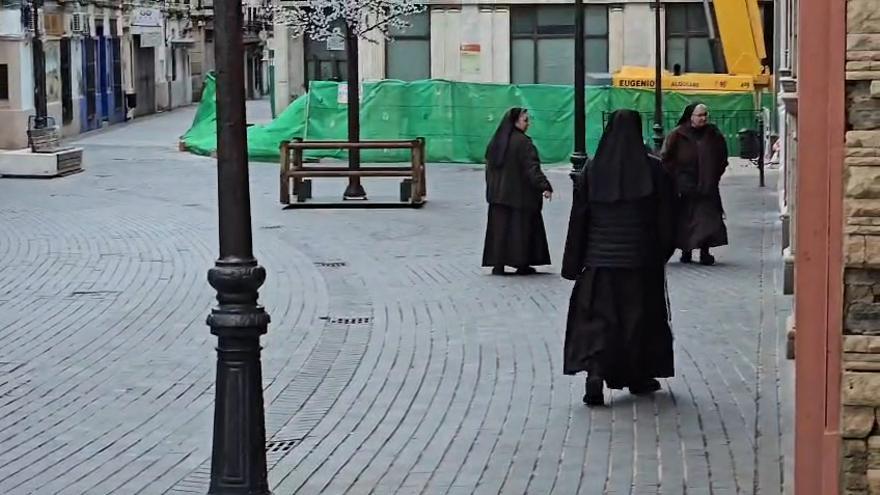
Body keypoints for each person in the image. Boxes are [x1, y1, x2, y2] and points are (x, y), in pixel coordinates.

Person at [562, 110, 676, 407]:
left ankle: (595, 373)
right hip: (640, 262)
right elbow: (667, 219)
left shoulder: (592, 170)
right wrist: (661, 252)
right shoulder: (654, 169)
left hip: (599, 263)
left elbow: (579, 219)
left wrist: (573, 263)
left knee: (599, 322)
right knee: (638, 322)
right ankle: (638, 376)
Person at [482, 108, 554, 275]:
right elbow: (532, 168)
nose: (528, 124)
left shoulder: (495, 142)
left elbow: (489, 170)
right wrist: (544, 186)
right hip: (519, 196)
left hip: (498, 197)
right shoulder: (523, 143)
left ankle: (498, 264)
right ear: (515, 122)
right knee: (520, 230)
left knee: (500, 231)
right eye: (525, 120)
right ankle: (521, 264)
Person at [662, 103, 729, 265]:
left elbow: (722, 157)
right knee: (686, 219)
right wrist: (677, 177)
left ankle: (705, 252)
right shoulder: (677, 134)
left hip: (708, 185)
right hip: (685, 186)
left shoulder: (713, 134)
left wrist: (715, 174)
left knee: (708, 221)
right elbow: (666, 158)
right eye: (699, 115)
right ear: (690, 117)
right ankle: (686, 251)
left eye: (705, 115)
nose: (703, 118)